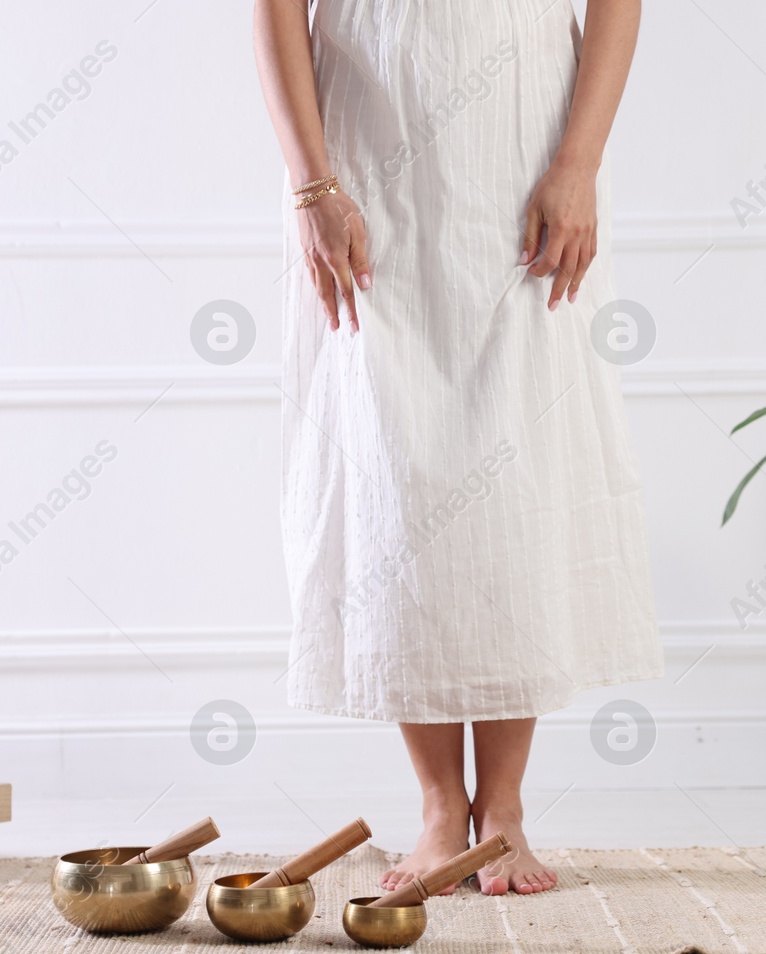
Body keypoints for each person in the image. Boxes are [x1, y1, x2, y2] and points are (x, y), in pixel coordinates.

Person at [254, 0, 660, 896]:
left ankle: (503, 809)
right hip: (368, 165)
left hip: (524, 155)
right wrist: (311, 183)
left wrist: (580, 165)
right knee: (394, 473)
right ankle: (442, 808)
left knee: (521, 470)